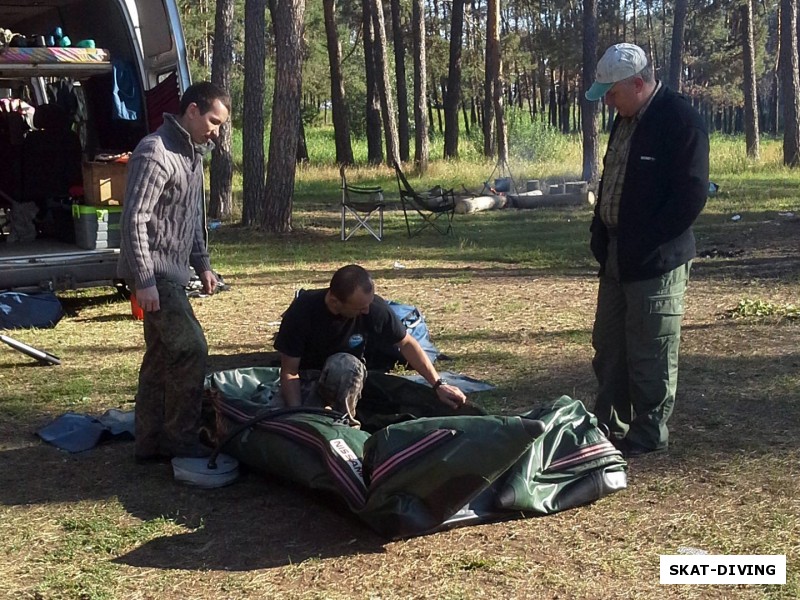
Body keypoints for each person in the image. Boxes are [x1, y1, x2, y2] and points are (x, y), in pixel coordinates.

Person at [584, 43, 709, 457]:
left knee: (650, 349)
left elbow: (689, 197)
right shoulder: (625, 119)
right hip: (617, 254)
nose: (608, 101)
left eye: (613, 93)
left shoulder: (681, 121)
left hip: (656, 259)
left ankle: (647, 433)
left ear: (638, 84)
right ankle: (609, 425)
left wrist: (648, 240)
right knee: (609, 344)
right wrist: (601, 232)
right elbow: (613, 179)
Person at [118, 81, 230, 463]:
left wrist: (203, 262)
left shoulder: (193, 154)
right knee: (191, 348)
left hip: (173, 273)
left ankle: (148, 443)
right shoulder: (156, 151)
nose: (216, 131)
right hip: (155, 274)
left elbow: (190, 216)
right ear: (193, 110)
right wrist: (145, 280)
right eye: (213, 121)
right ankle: (179, 440)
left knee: (161, 357)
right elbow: (134, 219)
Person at [274, 264, 467, 426]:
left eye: (368, 304)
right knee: (285, 421)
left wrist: (438, 384)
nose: (366, 311)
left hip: (349, 379)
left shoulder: (374, 308)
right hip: (308, 379)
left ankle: (346, 424)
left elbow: (407, 344)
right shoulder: (303, 311)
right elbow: (290, 372)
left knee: (346, 365)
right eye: (359, 308)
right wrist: (296, 414)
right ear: (334, 302)